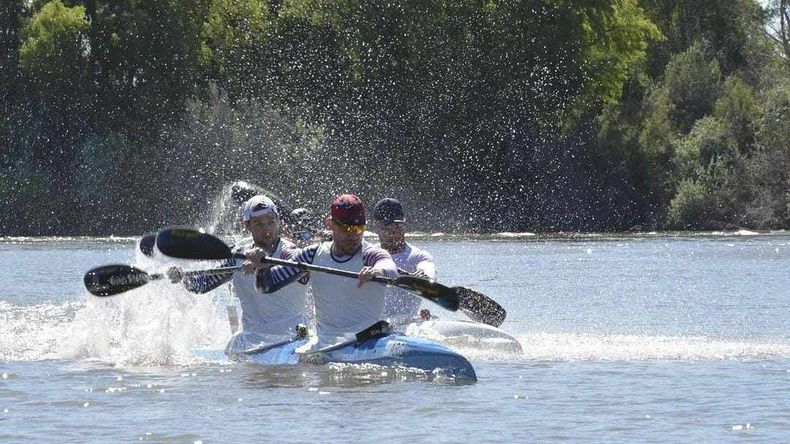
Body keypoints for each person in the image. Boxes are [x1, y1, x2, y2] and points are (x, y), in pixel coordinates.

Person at [167, 195, 310, 354]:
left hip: (291, 338)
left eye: (271, 221)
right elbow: (202, 285)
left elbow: (296, 266)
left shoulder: (287, 251)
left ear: (278, 220)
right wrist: (182, 277)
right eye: (259, 224)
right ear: (247, 226)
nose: (267, 229)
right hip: (252, 342)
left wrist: (262, 266)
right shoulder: (237, 256)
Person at [254, 194, 398, 347]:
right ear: (330, 224)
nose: (354, 235)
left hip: (369, 340)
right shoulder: (311, 255)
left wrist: (378, 271)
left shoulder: (370, 254)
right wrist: (262, 268)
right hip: (327, 345)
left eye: (359, 228)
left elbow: (390, 268)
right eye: (347, 228)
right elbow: (266, 286)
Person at [370, 198, 437, 326]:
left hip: (407, 326)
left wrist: (427, 278)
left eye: (399, 227)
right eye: (388, 228)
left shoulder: (417, 256)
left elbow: (428, 268)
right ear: (375, 228)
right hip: (374, 327)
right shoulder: (367, 255)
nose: (394, 232)